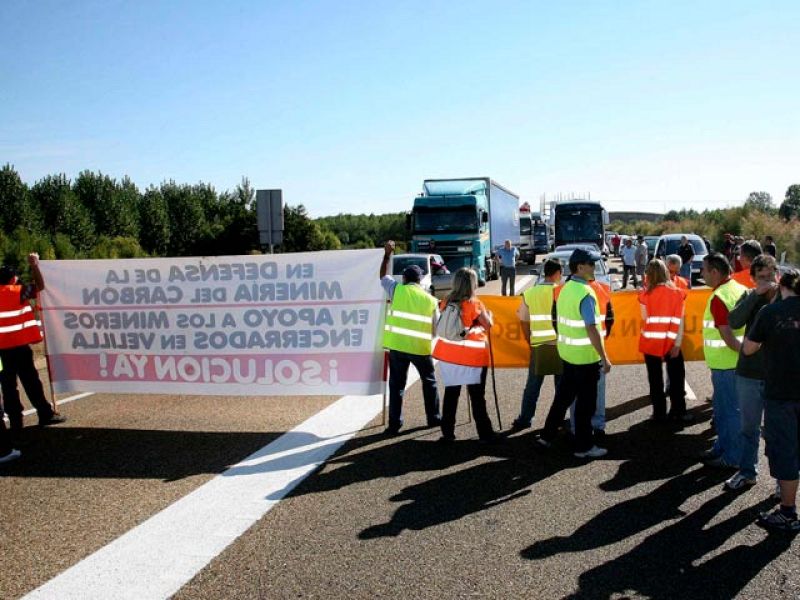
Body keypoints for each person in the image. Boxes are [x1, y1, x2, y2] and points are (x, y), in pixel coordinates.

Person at [537, 248, 611, 459]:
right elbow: (591, 328)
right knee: (585, 406)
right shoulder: (586, 293)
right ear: (580, 267)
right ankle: (584, 447)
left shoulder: (565, 288)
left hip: (569, 356)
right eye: (591, 264)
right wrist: (604, 357)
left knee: (562, 400)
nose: (594, 267)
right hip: (586, 359)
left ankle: (546, 437)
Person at [742, 269, 800, 531]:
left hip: (781, 393)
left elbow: (749, 348)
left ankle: (788, 512)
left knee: (786, 451)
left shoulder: (771, 313)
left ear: (782, 287)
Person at [724, 254, 779, 491]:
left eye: (770, 276)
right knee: (748, 428)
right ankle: (747, 472)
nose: (766, 281)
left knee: (779, 432)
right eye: (761, 277)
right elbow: (734, 321)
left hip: (778, 376)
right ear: (753, 278)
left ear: (777, 274)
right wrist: (755, 295)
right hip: (749, 373)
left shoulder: (786, 298)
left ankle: (782, 481)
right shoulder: (749, 296)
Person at [0, 254, 65, 442]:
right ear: (13, 279)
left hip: (2, 351)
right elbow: (40, 286)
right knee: (31, 381)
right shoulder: (17, 291)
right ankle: (44, 413)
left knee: (8, 387)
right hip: (19, 347)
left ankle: (15, 422)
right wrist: (34, 265)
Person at [380, 241, 441, 434]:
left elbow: (382, 276)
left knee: (397, 386)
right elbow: (435, 329)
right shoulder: (431, 300)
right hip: (420, 348)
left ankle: (394, 424)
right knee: (429, 382)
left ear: (405, 278)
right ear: (421, 280)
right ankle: (433, 418)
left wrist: (387, 255)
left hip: (397, 347)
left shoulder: (396, 290)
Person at [433, 268, 497, 443]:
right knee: (477, 397)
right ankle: (485, 434)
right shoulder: (474, 303)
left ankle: (447, 433)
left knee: (451, 395)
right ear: (472, 284)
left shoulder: (446, 301)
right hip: (472, 357)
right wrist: (489, 315)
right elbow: (488, 324)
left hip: (450, 356)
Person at [699, 253, 748, 469]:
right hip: (732, 363)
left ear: (715, 272)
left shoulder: (719, 296)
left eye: (704, 270)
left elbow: (727, 336)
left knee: (729, 413)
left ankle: (733, 457)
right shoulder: (738, 288)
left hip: (727, 364)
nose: (701, 274)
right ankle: (722, 447)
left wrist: (744, 353)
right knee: (724, 411)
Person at [510, 258, 563, 433]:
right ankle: (560, 419)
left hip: (539, 345)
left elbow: (523, 320)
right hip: (561, 345)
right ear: (556, 274)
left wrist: (529, 339)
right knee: (562, 387)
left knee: (533, 385)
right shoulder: (562, 292)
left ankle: (525, 418)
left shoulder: (530, 293)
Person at [638, 259, 689, 421]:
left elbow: (645, 317)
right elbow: (680, 320)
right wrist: (678, 344)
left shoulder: (645, 295)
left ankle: (658, 413)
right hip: (671, 342)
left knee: (655, 380)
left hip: (651, 342)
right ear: (665, 272)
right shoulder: (677, 293)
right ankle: (678, 412)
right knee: (676, 379)